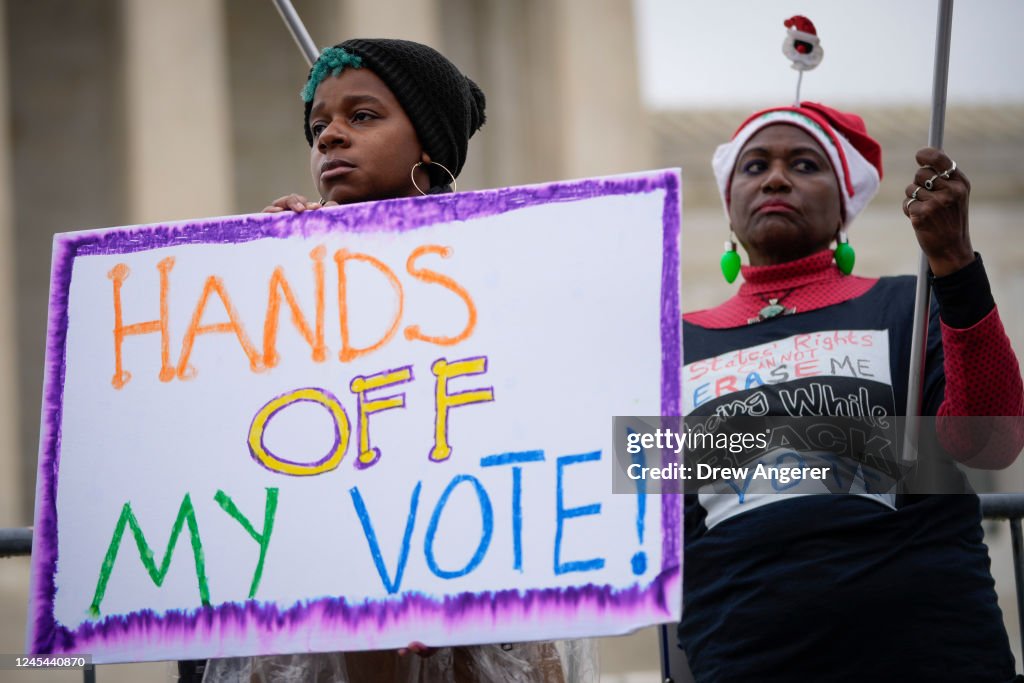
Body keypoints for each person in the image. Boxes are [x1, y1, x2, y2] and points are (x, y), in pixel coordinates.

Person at [201, 38, 595, 683]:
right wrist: (261, 272)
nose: (330, 137)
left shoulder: (497, 262)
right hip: (334, 571)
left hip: (474, 554)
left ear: (429, 147)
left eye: (362, 117)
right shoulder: (288, 264)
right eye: (318, 125)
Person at [676, 101, 1024, 681]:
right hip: (745, 660)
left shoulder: (910, 304)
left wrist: (955, 264)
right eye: (754, 166)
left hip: (928, 654)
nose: (777, 178)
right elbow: (651, 515)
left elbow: (991, 445)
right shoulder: (670, 345)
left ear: (845, 204)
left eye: (806, 164)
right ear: (728, 204)